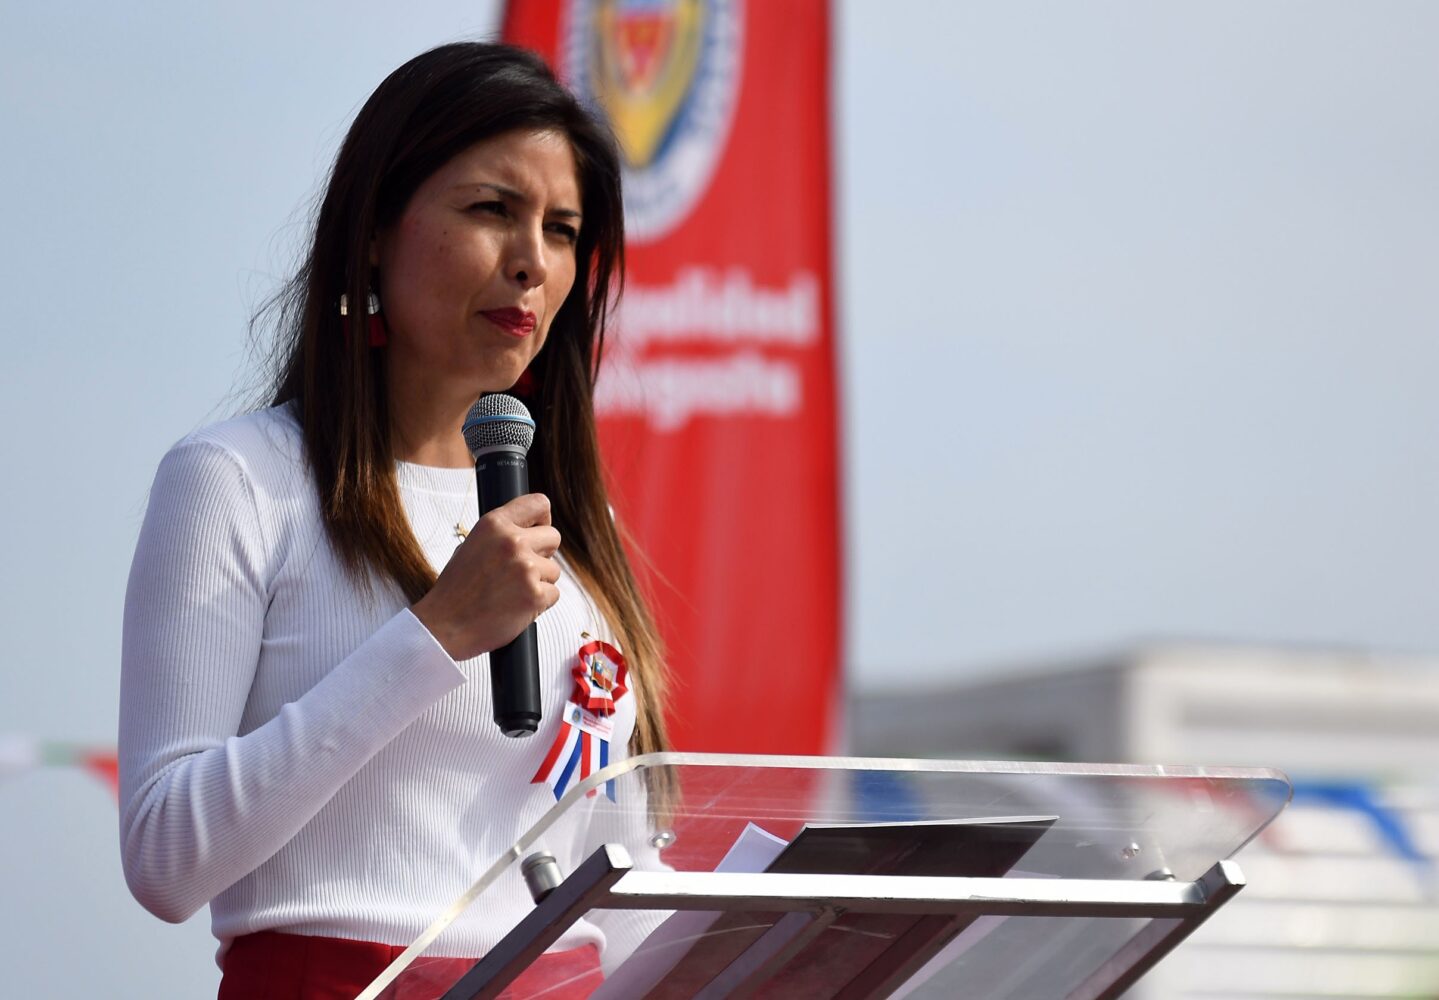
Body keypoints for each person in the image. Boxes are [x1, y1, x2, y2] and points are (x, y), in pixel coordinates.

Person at [118, 42, 670, 999]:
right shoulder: (238, 481)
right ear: (375, 227)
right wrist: (435, 635)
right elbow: (165, 856)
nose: (531, 262)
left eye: (562, 230)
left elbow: (619, 878)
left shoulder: (575, 522)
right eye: (491, 210)